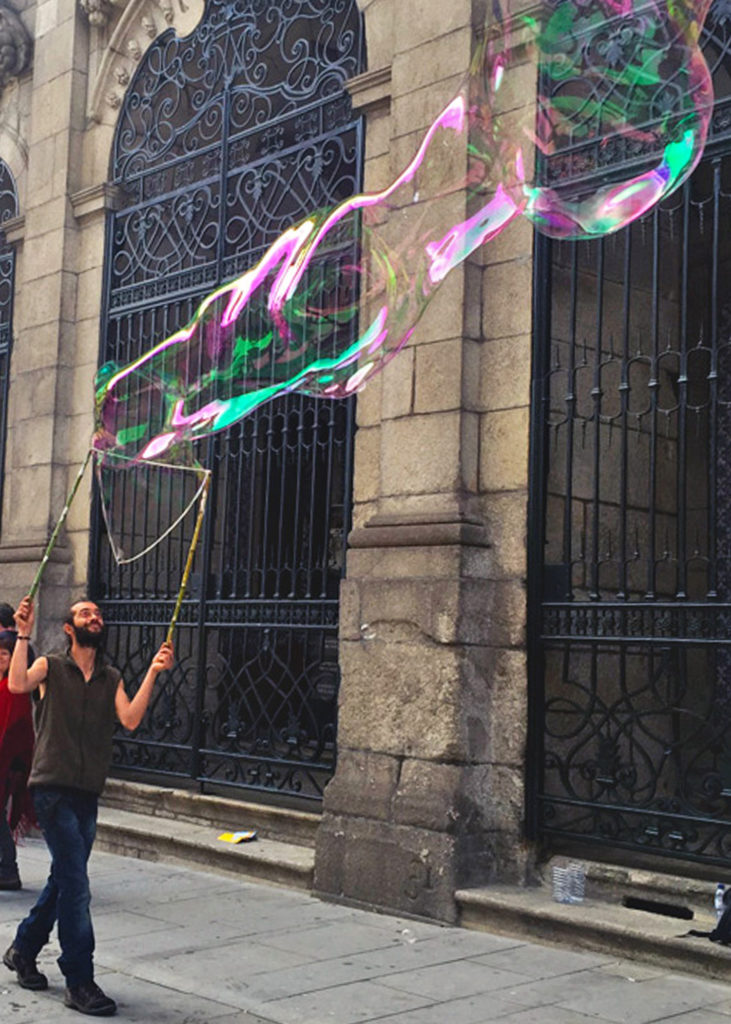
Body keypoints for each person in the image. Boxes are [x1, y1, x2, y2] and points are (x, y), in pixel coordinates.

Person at [2, 595, 173, 1017]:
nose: (94, 617)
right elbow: (16, 683)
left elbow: (130, 718)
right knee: (77, 887)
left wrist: (152, 671)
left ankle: (23, 949)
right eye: (84, 613)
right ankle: (79, 979)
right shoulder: (52, 668)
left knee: (64, 879)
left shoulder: (111, 677)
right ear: (68, 626)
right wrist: (23, 633)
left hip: (86, 792)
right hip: (51, 789)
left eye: (97, 614)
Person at [0, 630, 34, 890]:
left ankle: (8, 869)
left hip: (7, 763)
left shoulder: (14, 689)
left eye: (4, 654)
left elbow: (13, 730)